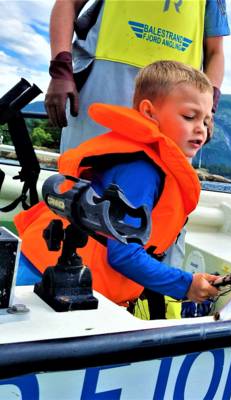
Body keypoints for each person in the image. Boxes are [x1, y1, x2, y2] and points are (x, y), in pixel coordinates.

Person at [15, 60, 219, 316]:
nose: (200, 128)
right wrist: (186, 284)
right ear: (149, 112)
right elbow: (123, 255)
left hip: (43, 270)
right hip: (48, 287)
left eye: (207, 120)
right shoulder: (141, 171)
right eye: (190, 116)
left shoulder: (139, 160)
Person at [45, 0, 230, 152]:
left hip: (178, 99)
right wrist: (61, 71)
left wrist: (208, 110)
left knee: (161, 183)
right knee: (84, 175)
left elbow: (215, 51)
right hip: (104, 79)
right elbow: (68, 3)